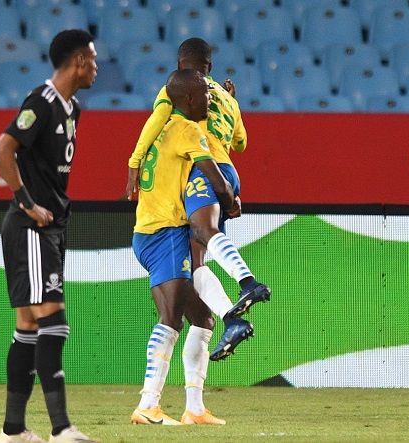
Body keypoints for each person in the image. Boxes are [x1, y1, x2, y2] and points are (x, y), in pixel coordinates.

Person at [126, 37, 270, 362]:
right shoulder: (224, 97)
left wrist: (134, 162)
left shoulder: (180, 90)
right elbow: (243, 143)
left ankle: (247, 283)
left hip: (205, 168)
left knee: (203, 236)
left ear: (180, 65)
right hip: (228, 169)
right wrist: (231, 104)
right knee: (198, 264)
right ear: (211, 67)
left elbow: (155, 121)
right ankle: (230, 324)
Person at [0, 30, 98, 443]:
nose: (96, 66)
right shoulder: (43, 102)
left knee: (27, 327)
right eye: (91, 58)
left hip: (48, 227)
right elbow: (2, 150)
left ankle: (13, 431)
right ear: (76, 61)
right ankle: (62, 429)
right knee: (54, 321)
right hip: (32, 226)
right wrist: (26, 203)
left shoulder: (73, 109)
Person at [129, 68, 234, 427]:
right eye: (205, 93)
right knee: (170, 318)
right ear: (188, 99)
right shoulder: (187, 129)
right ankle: (148, 405)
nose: (210, 98)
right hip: (165, 234)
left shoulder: (158, 128)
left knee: (201, 318)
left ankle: (195, 408)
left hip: (146, 231)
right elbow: (214, 173)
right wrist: (230, 198)